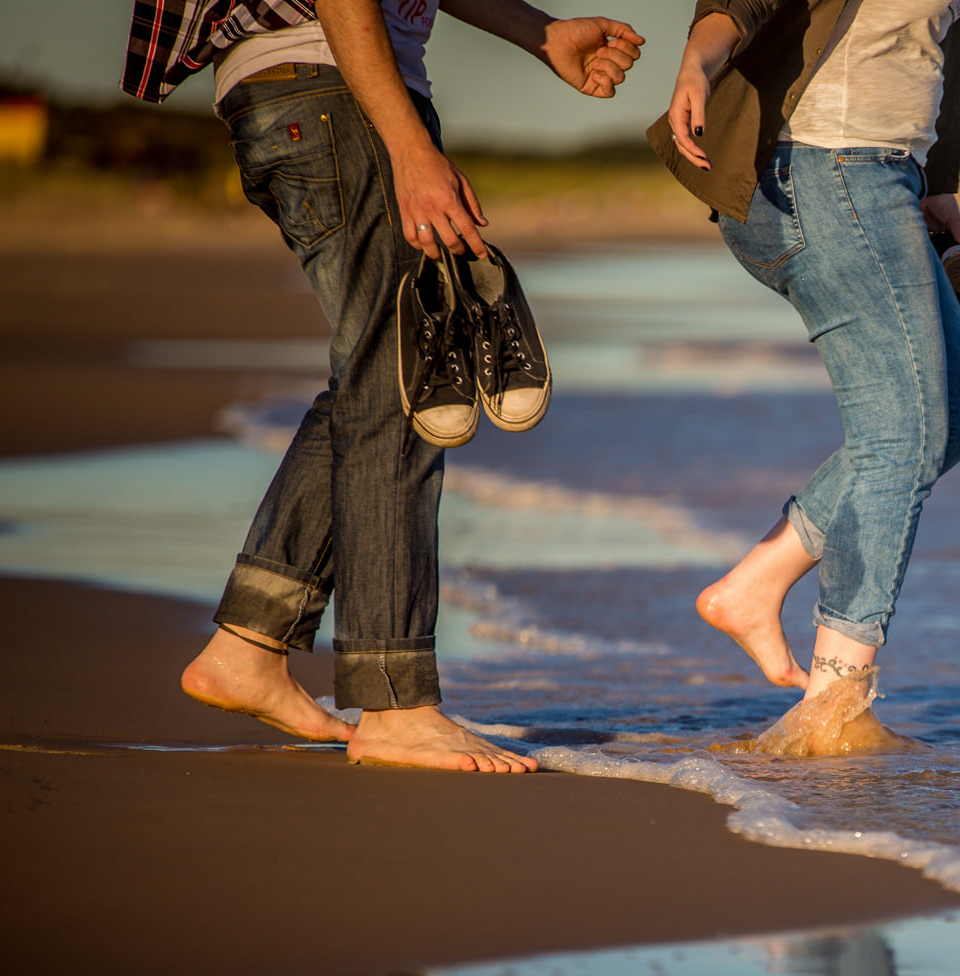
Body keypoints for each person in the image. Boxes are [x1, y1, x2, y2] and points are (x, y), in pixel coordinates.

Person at [123, 0, 643, 771]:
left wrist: (538, 34)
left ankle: (249, 645)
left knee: (377, 374)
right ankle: (396, 704)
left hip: (312, 92)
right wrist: (408, 146)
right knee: (409, 383)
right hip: (334, 92)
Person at [653, 0, 960, 749]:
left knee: (959, 415)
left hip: (889, 177)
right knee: (898, 434)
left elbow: (942, 50)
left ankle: (756, 582)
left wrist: (937, 181)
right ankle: (835, 704)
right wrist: (696, 63)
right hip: (822, 169)